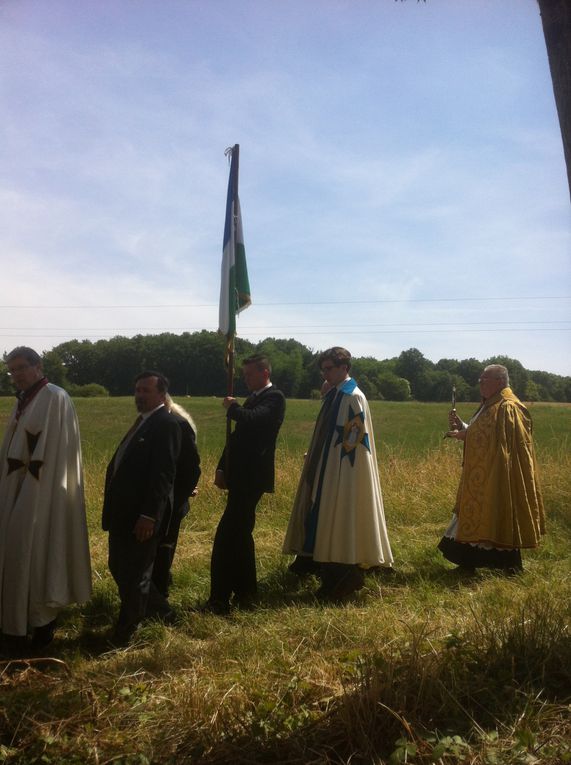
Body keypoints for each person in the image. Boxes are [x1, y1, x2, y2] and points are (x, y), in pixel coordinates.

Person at [0, 347, 91, 654]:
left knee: (37, 554)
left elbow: (55, 455)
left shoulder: (55, 398)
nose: (16, 375)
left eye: (21, 368)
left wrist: (38, 492)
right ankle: (14, 625)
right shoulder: (22, 401)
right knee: (14, 553)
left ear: (38, 366)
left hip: (43, 493)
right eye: (11, 371)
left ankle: (40, 627)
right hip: (16, 489)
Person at [283, 347, 393, 601]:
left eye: (329, 369)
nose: (325, 374)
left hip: (343, 472)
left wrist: (333, 470)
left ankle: (344, 577)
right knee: (321, 516)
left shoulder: (351, 396)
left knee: (340, 518)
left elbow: (352, 444)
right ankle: (324, 568)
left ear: (344, 367)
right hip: (328, 468)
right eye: (323, 369)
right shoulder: (336, 394)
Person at [438, 364, 545, 573]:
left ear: (500, 382)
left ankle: (507, 565)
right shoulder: (491, 404)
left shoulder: (508, 407)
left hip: (499, 475)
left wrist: (465, 436)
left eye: (484, 380)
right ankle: (468, 563)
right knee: (473, 515)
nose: (480, 383)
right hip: (482, 474)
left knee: (498, 513)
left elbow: (504, 444)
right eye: (480, 379)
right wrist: (463, 427)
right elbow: (483, 433)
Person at [102, 371, 181, 643]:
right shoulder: (142, 422)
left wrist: (149, 515)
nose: (140, 395)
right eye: (137, 390)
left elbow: (163, 474)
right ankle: (164, 614)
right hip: (123, 514)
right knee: (119, 566)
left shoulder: (166, 424)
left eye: (146, 390)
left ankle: (125, 634)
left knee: (135, 574)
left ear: (161, 394)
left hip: (142, 517)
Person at [205, 354, 286, 614]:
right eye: (244, 374)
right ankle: (246, 593)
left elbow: (254, 420)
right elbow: (237, 438)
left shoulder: (274, 398)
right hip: (239, 475)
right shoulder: (254, 398)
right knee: (240, 537)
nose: (245, 378)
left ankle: (220, 599)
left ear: (264, 373)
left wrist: (233, 408)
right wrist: (221, 467)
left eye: (249, 374)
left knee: (228, 537)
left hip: (252, 477)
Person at [150, 394, 201, 602]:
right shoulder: (151, 423)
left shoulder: (178, 424)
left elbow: (190, 467)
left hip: (171, 500)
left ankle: (160, 596)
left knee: (164, 547)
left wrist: (179, 497)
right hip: (159, 499)